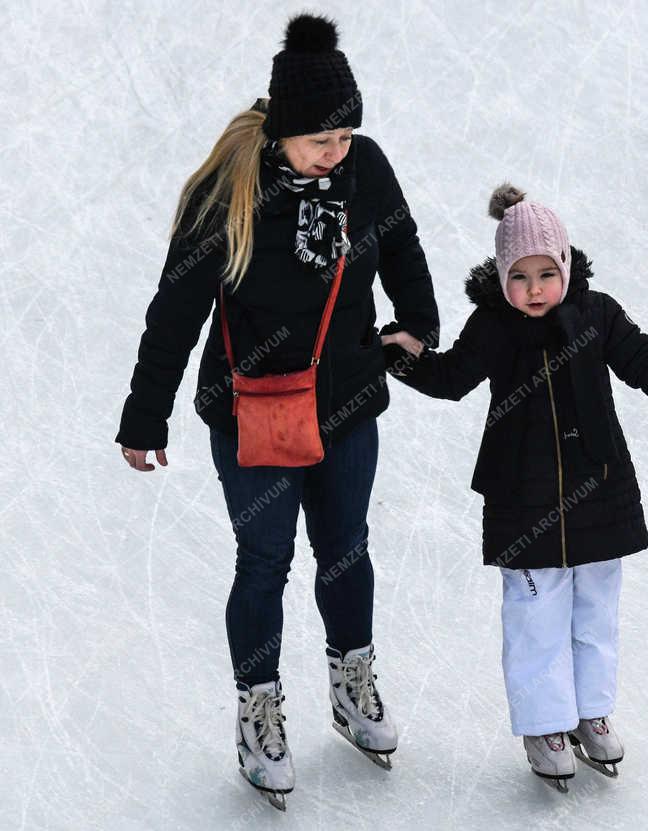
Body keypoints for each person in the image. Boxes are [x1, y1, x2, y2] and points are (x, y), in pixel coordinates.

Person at [115, 13, 438, 808]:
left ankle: (350, 681)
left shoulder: (366, 169)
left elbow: (400, 244)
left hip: (348, 398)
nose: (338, 151)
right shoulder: (228, 194)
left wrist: (420, 321)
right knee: (264, 561)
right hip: (253, 409)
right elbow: (174, 311)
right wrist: (144, 414)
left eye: (347, 135)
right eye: (321, 140)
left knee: (346, 548)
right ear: (285, 134)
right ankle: (258, 708)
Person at [382, 184, 648, 791]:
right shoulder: (494, 326)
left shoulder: (597, 315)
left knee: (595, 610)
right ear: (501, 279)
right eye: (519, 277)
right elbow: (452, 379)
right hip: (522, 498)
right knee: (535, 613)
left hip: (598, 487)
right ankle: (544, 724)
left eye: (546, 273)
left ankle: (590, 712)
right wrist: (397, 357)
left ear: (567, 267)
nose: (533, 289)